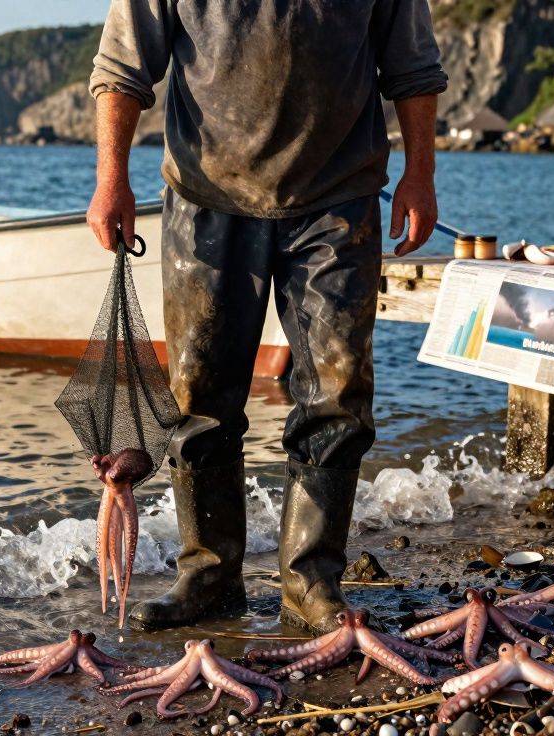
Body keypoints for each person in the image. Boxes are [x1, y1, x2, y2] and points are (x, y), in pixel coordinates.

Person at [87, 0, 446, 635]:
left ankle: (311, 581)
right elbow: (121, 68)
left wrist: (421, 174)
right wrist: (110, 178)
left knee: (337, 396)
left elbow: (413, 70)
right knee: (199, 399)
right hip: (206, 200)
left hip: (338, 203)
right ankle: (208, 574)